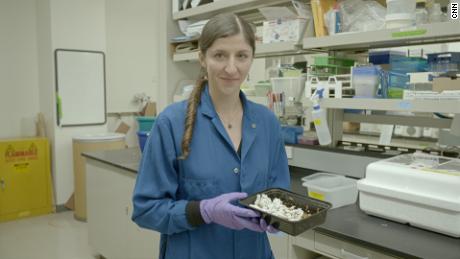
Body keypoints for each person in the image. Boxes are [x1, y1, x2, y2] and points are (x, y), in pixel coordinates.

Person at [132, 13, 290, 259]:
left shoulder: (267, 123)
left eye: (241, 56)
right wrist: (202, 211)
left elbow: (279, 193)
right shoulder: (171, 123)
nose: (231, 67)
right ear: (202, 59)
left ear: (252, 58)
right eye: (219, 55)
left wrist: (277, 215)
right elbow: (146, 209)